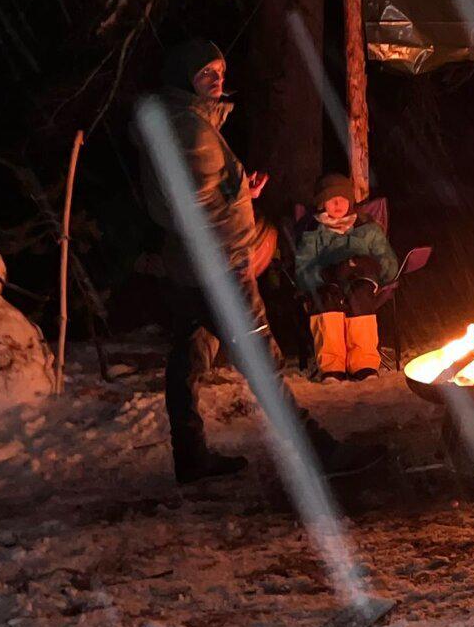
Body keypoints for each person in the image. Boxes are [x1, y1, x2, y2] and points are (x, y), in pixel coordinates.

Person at [133, 39, 364, 485]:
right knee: (263, 359)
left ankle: (190, 454)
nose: (218, 80)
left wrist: (243, 192)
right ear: (185, 77)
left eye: (221, 70)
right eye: (206, 73)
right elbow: (194, 209)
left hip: (188, 267)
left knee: (189, 354)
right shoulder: (190, 130)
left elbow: (198, 196)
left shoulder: (184, 121)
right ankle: (317, 454)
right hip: (220, 267)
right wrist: (245, 249)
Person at [294, 174, 401, 381]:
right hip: (329, 284)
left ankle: (364, 364)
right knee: (327, 297)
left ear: (350, 201)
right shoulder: (313, 235)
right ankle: (332, 367)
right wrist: (324, 273)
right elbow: (302, 273)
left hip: (362, 281)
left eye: (343, 198)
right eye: (331, 198)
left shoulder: (368, 230)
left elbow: (389, 264)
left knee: (359, 294)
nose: (337, 203)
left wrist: (372, 266)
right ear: (321, 203)